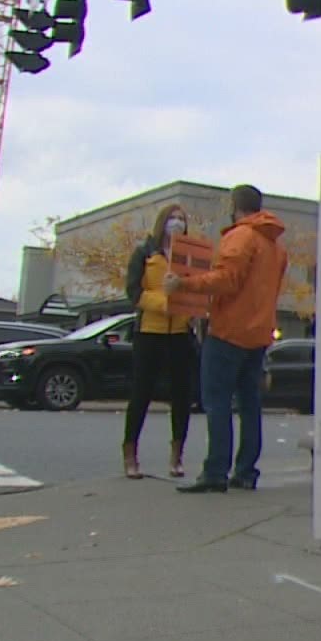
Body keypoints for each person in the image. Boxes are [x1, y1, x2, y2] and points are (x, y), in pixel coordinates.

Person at [166, 184, 287, 494]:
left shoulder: (240, 236)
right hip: (259, 333)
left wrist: (184, 283)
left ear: (236, 207)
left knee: (217, 402)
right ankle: (246, 471)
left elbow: (226, 279)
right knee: (250, 403)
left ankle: (215, 471)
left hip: (229, 330)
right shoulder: (276, 247)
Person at [122, 203, 197, 479]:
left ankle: (177, 455)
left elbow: (196, 285)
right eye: (172, 218)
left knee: (181, 395)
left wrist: (191, 307)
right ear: (162, 222)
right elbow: (134, 291)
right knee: (141, 392)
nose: (177, 223)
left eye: (181, 219)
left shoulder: (187, 255)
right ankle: (131, 454)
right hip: (149, 332)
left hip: (179, 333)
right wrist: (162, 303)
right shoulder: (145, 253)